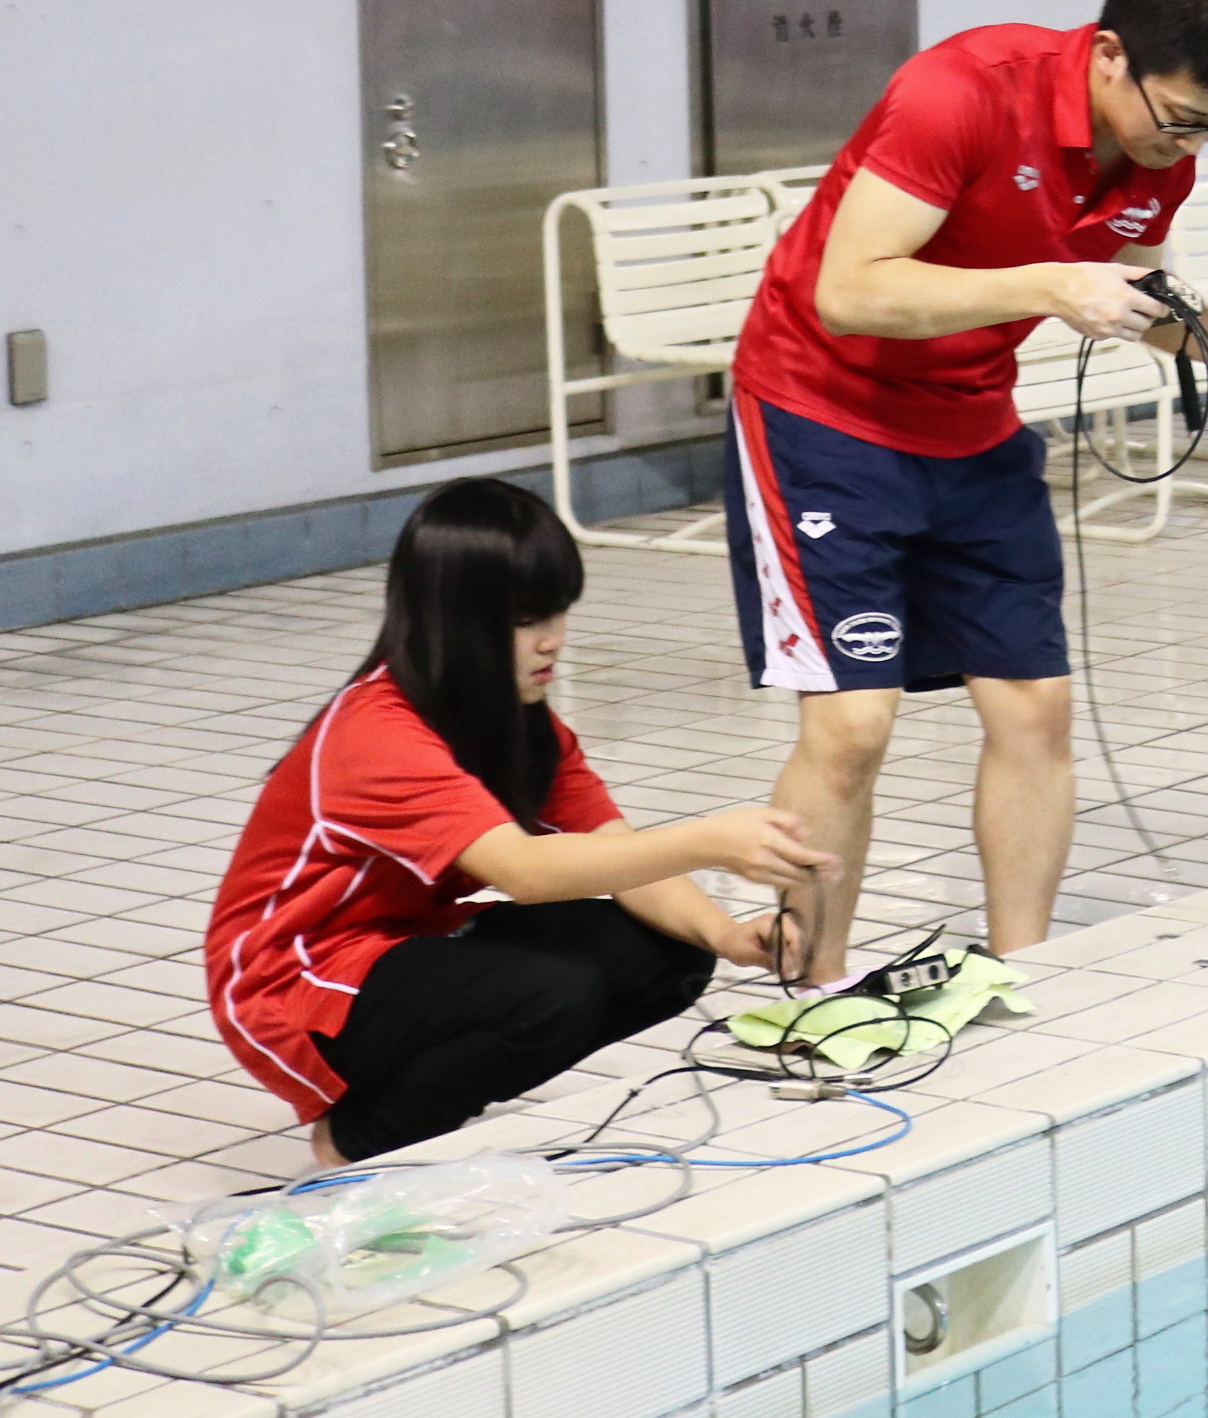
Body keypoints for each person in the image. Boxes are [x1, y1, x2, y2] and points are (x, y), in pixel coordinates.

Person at [725, 0, 1208, 981]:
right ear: (1112, 54)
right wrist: (1047, 281)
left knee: (1035, 708)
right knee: (852, 726)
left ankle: (1023, 975)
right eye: (1182, 117)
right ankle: (816, 987)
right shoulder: (962, 92)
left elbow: (1139, 299)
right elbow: (849, 290)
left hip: (974, 425)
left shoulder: (1160, 155)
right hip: (824, 417)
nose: (1190, 146)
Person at [207, 482, 831, 1166]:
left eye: (558, 612)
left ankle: (427, 1099)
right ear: (453, 620)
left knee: (665, 956)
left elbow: (614, 849)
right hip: (291, 978)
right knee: (551, 997)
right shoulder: (377, 733)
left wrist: (726, 935)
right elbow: (526, 873)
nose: (553, 640)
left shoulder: (517, 721)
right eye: (528, 620)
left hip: (402, 945)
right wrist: (712, 840)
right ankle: (359, 1141)